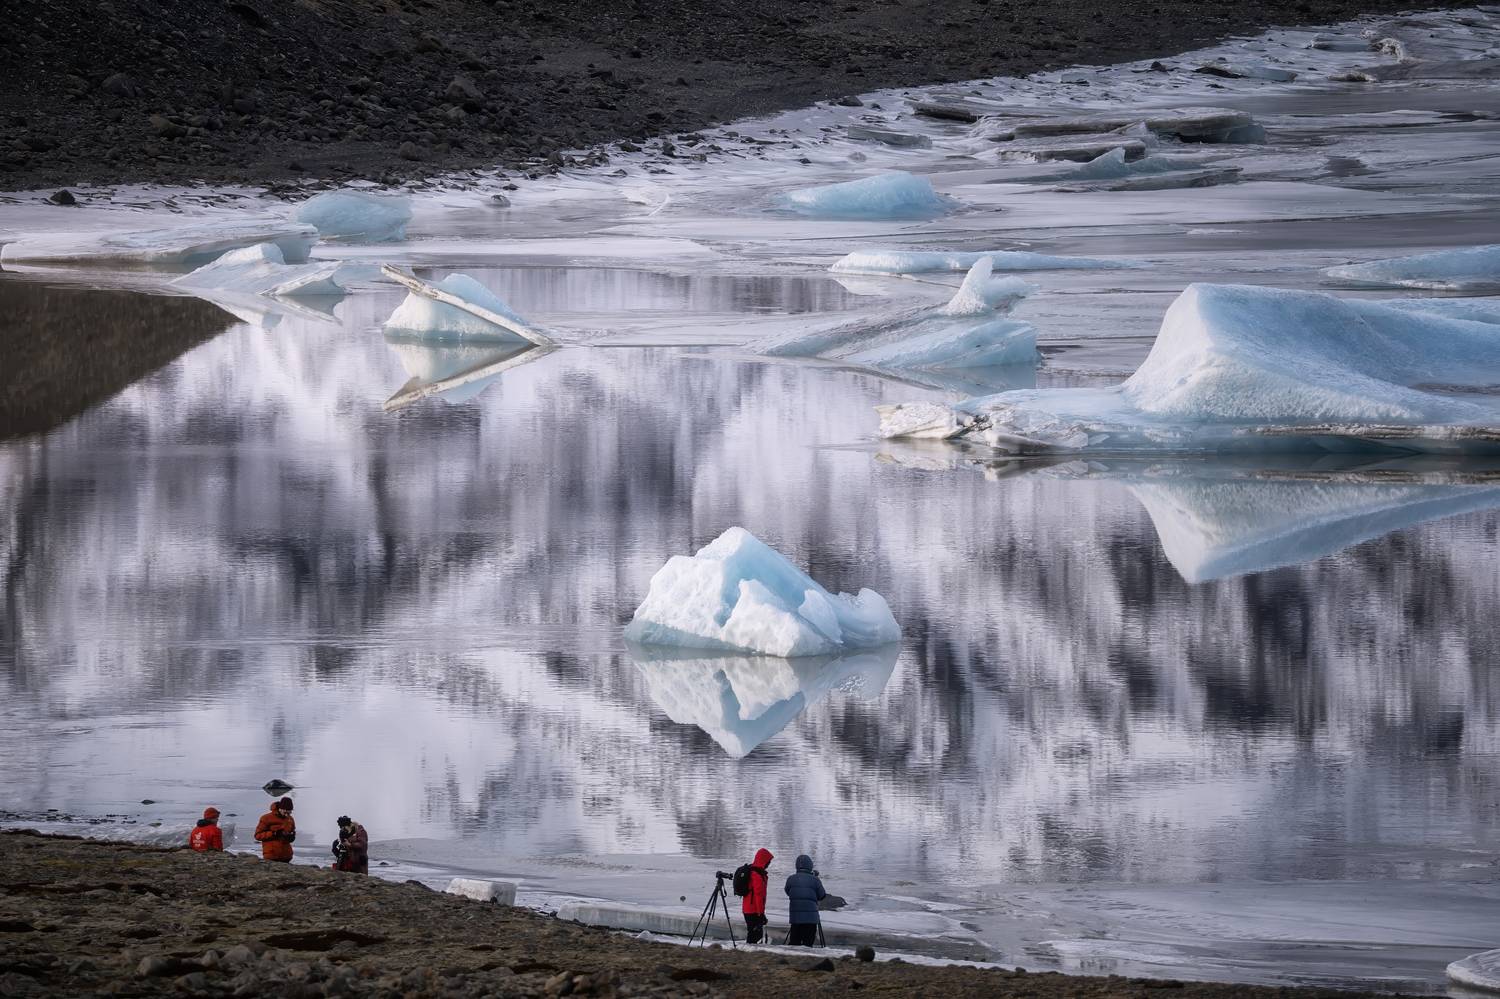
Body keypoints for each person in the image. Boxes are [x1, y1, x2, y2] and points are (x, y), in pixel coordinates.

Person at [783, 853, 826, 946]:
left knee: (794, 943)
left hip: (795, 918)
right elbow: (822, 895)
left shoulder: (791, 879)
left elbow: (788, 892)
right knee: (808, 943)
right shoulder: (815, 880)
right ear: (810, 865)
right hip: (811, 919)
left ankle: (793, 959)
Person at [740, 848, 773, 943]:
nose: (769, 864)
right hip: (753, 910)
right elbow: (758, 896)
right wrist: (761, 914)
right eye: (768, 861)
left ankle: (750, 952)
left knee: (753, 933)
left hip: (749, 909)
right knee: (755, 935)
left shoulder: (753, 871)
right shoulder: (756, 875)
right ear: (763, 861)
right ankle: (750, 953)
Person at [253, 796, 296, 862]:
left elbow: (292, 831)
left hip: (287, 856)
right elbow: (257, 836)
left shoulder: (290, 819)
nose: (287, 815)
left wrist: (292, 837)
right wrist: (274, 833)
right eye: (285, 812)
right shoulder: (266, 818)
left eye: (289, 812)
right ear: (280, 809)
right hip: (271, 856)